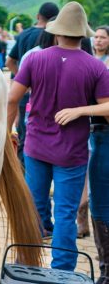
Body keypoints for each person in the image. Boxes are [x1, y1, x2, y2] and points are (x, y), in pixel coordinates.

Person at [6, 2, 109, 271]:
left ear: (57, 32)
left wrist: (7, 132)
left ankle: (26, 263)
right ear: (83, 35)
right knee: (64, 213)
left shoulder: (35, 59)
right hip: (72, 153)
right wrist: (81, 110)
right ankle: (62, 271)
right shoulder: (96, 67)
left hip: (36, 146)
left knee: (34, 207)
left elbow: (12, 98)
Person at [56, 99, 109, 283]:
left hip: (104, 139)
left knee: (101, 207)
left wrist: (79, 110)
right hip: (99, 137)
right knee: (100, 206)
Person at [6, 2, 60, 164]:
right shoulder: (60, 37)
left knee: (25, 136)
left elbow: (9, 61)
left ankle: (24, 179)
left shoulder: (24, 35)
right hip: (51, 97)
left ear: (38, 16)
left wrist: (23, 81)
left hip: (24, 96)